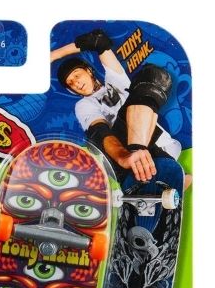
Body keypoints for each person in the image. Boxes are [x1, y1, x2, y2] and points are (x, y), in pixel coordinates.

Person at [51, 29, 191, 190]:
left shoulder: (116, 80)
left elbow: (99, 41)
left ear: (88, 71)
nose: (75, 82)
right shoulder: (83, 105)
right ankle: (143, 165)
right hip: (125, 156)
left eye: (76, 75)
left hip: (165, 146)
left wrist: (53, 56)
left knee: (153, 75)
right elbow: (100, 131)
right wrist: (123, 156)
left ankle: (159, 172)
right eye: (70, 83)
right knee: (100, 135)